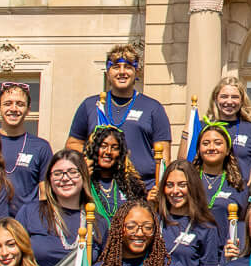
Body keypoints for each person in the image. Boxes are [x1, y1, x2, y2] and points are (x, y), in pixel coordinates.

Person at [68, 42, 174, 187]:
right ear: (108, 72)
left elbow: (164, 159)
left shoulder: (153, 108)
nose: (122, 72)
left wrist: (159, 190)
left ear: (136, 72)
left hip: (142, 188)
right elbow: (72, 144)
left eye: (128, 67)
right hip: (99, 187)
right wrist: (93, 154)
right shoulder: (90, 105)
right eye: (116, 67)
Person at [157, 156, 226, 266]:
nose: (175, 191)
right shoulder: (154, 221)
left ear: (192, 187)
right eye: (169, 185)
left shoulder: (206, 227)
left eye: (182, 185)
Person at [0, 82, 53, 213]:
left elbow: (45, 193)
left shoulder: (40, 147)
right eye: (8, 104)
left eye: (20, 104)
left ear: (28, 110)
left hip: (26, 224)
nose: (14, 109)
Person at [192, 122, 250, 253]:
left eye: (218, 143)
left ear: (228, 150)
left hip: (224, 255)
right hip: (192, 254)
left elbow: (242, 225)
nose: (211, 147)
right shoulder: (188, 181)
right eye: (205, 143)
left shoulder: (239, 185)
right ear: (198, 150)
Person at [207, 74, 251, 173]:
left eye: (235, 97)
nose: (229, 101)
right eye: (224, 96)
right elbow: (186, 160)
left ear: (242, 101)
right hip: (208, 187)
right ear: (216, 98)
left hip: (241, 187)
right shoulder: (205, 128)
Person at [83, 123, 149, 224]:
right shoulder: (85, 182)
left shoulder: (130, 184)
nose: (108, 152)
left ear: (120, 153)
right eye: (103, 146)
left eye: (114, 147)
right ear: (95, 149)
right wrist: (83, 178)